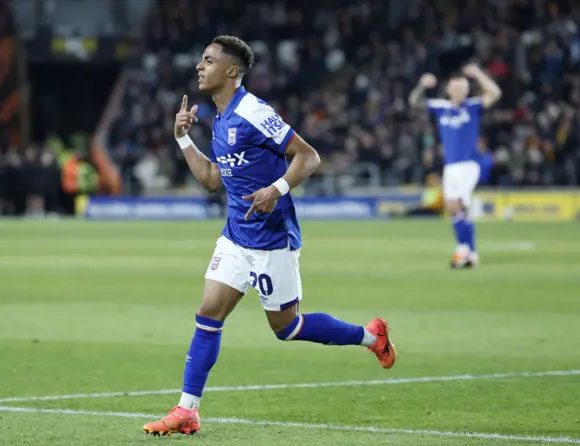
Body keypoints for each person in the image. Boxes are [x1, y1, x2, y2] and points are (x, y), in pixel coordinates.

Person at [143, 36, 396, 437]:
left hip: (270, 238)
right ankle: (187, 410)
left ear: (232, 71)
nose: (199, 66)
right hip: (234, 236)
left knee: (287, 328)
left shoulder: (253, 111)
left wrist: (275, 190)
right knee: (208, 314)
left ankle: (371, 337)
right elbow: (212, 179)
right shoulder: (221, 118)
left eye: (208, 60)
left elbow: (308, 156)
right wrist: (182, 138)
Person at [409, 64, 501, 268]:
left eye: (464, 88)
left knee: (453, 203)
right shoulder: (441, 107)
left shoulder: (473, 106)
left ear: (468, 90)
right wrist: (422, 86)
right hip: (450, 166)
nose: (460, 92)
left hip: (469, 164)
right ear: (449, 89)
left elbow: (495, 93)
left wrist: (478, 74)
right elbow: (414, 102)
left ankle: (462, 249)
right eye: (456, 88)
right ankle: (471, 253)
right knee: (459, 210)